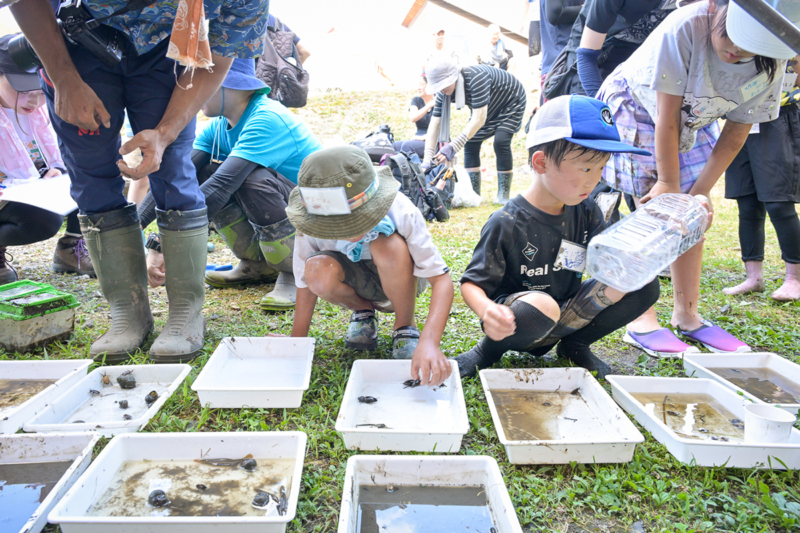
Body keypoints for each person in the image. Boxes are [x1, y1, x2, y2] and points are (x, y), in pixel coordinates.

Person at [9, 0, 269, 363]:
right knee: (91, 173)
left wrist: (165, 133)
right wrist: (64, 77)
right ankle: (127, 312)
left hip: (172, 45)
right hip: (78, 42)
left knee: (173, 168)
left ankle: (185, 312)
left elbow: (222, 54)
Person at [597, 0, 798, 356]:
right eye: (733, 35)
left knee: (693, 216)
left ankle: (687, 316)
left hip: (696, 117)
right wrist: (669, 186)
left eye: (753, 47)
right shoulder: (686, 27)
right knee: (658, 211)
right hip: (641, 106)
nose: (737, 50)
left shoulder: (774, 60)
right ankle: (641, 319)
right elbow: (666, 117)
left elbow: (736, 132)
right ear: (717, 6)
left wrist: (698, 193)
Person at [454, 95, 660, 379]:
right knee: (541, 305)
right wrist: (489, 311)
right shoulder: (506, 221)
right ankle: (486, 352)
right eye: (586, 168)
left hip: (569, 312)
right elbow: (471, 284)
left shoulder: (587, 210)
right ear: (541, 163)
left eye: (601, 168)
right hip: (520, 319)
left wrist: (661, 231)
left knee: (643, 282)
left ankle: (575, 345)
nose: (594, 179)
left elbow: (612, 259)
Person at [140, 58, 322, 312]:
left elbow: (220, 187)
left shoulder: (267, 118)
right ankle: (257, 264)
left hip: (316, 220)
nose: (191, 94)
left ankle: (293, 270)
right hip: (287, 210)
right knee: (203, 170)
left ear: (231, 85)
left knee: (250, 179)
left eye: (200, 85)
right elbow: (175, 179)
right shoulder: (217, 127)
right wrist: (132, 228)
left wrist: (164, 242)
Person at [286, 146, 454, 387]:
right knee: (316, 269)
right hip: (354, 281)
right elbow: (304, 281)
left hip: (402, 277)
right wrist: (296, 341)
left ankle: (405, 325)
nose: (348, 231)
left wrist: (429, 342)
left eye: (355, 222)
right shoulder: (310, 221)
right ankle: (363, 312)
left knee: (385, 244)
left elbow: (442, 280)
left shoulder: (401, 209)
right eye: (337, 226)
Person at [0, 34, 93, 284]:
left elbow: (54, 152)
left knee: (88, 170)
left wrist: (55, 170)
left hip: (24, 190)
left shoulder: (42, 110)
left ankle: (71, 248)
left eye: (40, 91)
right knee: (43, 221)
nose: (34, 100)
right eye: (22, 90)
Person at [723, 60, 800, 302]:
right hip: (738, 118)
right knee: (747, 202)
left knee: (778, 202)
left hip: (777, 116)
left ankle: (795, 278)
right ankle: (753, 277)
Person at [422, 58, 527, 205]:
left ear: (454, 77)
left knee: (501, 141)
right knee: (471, 143)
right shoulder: (443, 93)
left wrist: (453, 146)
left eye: (444, 84)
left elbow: (478, 119)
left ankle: (503, 194)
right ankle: (474, 193)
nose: (441, 89)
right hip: (487, 106)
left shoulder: (476, 78)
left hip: (511, 101)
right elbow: (434, 125)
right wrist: (427, 160)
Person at [546, 0, 677, 99]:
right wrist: (602, 108)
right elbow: (586, 56)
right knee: (591, 116)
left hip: (637, 56)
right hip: (595, 54)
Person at [391, 73, 435, 159]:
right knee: (393, 146)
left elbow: (441, 129)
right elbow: (413, 117)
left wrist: (423, 137)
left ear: (430, 85)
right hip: (418, 137)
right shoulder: (416, 100)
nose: (418, 88)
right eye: (418, 85)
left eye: (422, 84)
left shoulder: (439, 102)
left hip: (433, 140)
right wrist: (429, 105)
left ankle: (419, 171)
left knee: (407, 146)